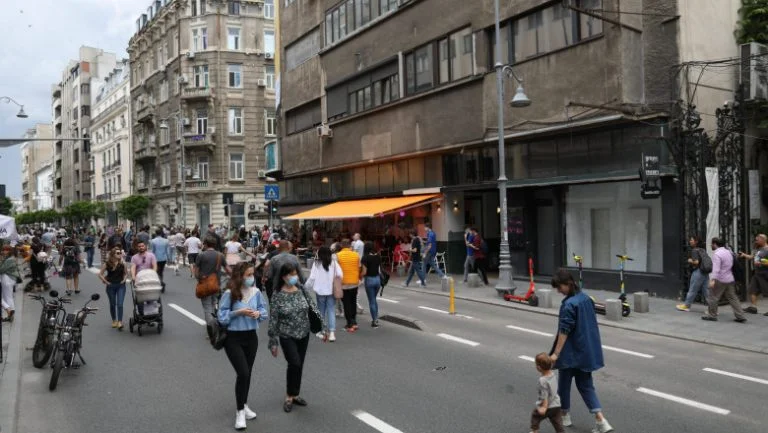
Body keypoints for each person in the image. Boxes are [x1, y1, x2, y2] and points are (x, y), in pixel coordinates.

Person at [549, 269, 613, 433]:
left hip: (570, 352)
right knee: (586, 386)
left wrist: (556, 354)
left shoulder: (569, 304)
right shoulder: (586, 299)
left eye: (559, 287)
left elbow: (564, 331)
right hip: (586, 351)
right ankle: (601, 421)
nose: (558, 291)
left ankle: (565, 415)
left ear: (568, 283)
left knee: (564, 384)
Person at [268, 262, 325, 413]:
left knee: (299, 364)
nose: (295, 277)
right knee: (294, 362)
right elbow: (273, 319)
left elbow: (314, 308)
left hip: (304, 333)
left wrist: (323, 328)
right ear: (283, 277)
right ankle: (289, 396)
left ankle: (295, 394)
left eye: (295, 274)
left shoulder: (301, 289)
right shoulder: (277, 295)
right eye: (291, 274)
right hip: (287, 334)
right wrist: (273, 341)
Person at [218, 262, 269, 430]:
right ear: (240, 276)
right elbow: (222, 317)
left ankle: (244, 405)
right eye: (248, 275)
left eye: (252, 274)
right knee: (243, 373)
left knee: (248, 374)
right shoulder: (229, 293)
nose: (251, 278)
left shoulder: (256, 292)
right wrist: (238, 312)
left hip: (251, 337)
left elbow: (264, 311)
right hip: (233, 338)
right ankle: (240, 412)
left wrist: (258, 313)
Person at [703, 237, 746, 322]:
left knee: (713, 297)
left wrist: (713, 280)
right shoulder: (728, 252)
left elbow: (716, 268)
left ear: (715, 244)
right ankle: (740, 315)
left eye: (712, 244)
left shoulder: (717, 254)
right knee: (732, 297)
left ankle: (712, 315)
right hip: (729, 278)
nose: (711, 245)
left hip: (720, 279)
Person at [196, 236, 229, 340]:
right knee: (215, 305)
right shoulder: (220, 255)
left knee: (207, 308)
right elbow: (228, 270)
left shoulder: (201, 255)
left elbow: (196, 272)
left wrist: (200, 279)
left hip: (205, 287)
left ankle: (212, 331)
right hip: (216, 286)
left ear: (205, 244)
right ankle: (219, 324)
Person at [308, 246, 342, 342]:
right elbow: (340, 275)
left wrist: (306, 287)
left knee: (321, 311)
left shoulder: (316, 263)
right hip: (331, 290)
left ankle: (322, 330)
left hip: (320, 291)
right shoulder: (334, 263)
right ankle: (332, 333)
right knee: (331, 311)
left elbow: (312, 277)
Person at [530, 352, 564, 433]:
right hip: (556, 403)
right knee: (557, 421)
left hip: (548, 406)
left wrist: (544, 407)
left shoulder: (542, 380)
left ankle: (535, 430)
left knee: (535, 416)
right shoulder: (552, 374)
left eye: (536, 364)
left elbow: (544, 395)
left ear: (539, 367)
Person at [677, 236, 710, 312]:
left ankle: (686, 305)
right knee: (706, 291)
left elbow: (696, 262)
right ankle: (712, 309)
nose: (690, 241)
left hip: (698, 272)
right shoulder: (703, 250)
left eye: (691, 240)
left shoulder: (694, 250)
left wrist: (690, 260)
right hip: (705, 272)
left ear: (696, 241)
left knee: (692, 289)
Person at [739, 233, 768, 315]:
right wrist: (744, 255)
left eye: (757, 240)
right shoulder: (758, 249)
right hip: (757, 273)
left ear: (763, 240)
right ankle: (753, 308)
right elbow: (752, 257)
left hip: (765, 274)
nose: (756, 241)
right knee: (752, 290)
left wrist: (763, 262)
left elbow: (764, 262)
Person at [98, 246, 127, 330]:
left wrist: (124, 280)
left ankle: (120, 322)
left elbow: (125, 273)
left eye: (120, 253)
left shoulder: (123, 263)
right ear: (113, 254)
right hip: (111, 286)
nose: (120, 254)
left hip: (121, 286)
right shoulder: (107, 264)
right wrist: (106, 282)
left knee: (120, 304)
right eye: (118, 253)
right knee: (112, 304)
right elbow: (100, 274)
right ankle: (114, 320)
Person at [336, 239, 360, 332]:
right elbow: (359, 267)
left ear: (342, 246)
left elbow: (336, 271)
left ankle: (349, 323)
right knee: (353, 302)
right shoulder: (356, 255)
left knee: (346, 303)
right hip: (354, 282)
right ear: (350, 245)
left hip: (344, 283)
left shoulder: (338, 255)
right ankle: (354, 321)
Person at [360, 241, 382, 328]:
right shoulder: (378, 256)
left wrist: (359, 276)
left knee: (371, 300)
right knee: (374, 299)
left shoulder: (365, 258)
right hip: (378, 279)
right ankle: (376, 317)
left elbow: (364, 272)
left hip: (369, 280)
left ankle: (375, 320)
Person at [0, 246, 20, 322]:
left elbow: (1, 270)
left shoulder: (9, 259)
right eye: (3, 250)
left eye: (4, 250)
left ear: (9, 251)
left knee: (7, 297)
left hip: (7, 278)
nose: (3, 252)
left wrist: (1, 261)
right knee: (8, 296)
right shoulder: (10, 258)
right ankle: (11, 313)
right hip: (9, 279)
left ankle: (10, 311)